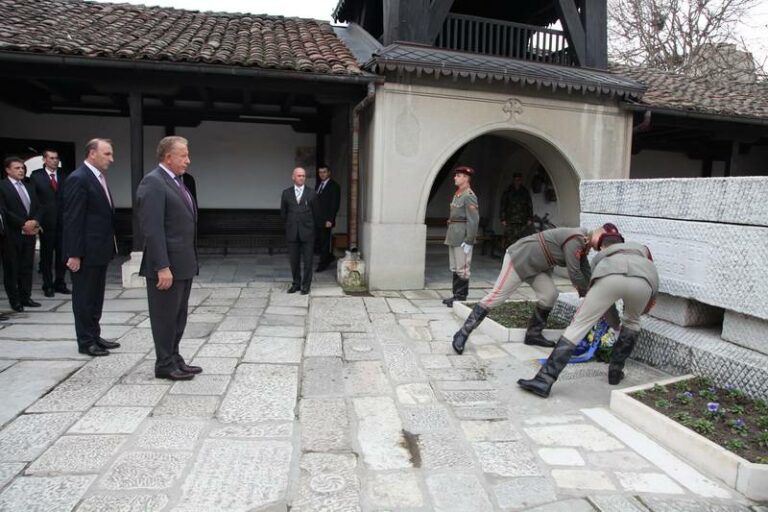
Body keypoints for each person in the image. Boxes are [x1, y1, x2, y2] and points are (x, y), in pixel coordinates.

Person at [518, 223, 659, 397]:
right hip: (644, 280)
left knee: (578, 325)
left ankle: (544, 380)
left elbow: (605, 306)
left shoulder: (599, 259)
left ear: (603, 246)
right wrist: (638, 312)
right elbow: (651, 272)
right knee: (632, 322)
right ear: (622, 241)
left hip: (609, 276)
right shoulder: (642, 249)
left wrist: (614, 325)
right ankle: (615, 373)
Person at [452, 226, 594, 355]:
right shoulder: (576, 239)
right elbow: (575, 273)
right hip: (520, 258)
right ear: (594, 237)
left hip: (537, 266)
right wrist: (585, 294)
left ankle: (533, 335)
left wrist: (593, 290)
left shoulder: (582, 243)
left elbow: (585, 270)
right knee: (497, 296)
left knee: (550, 295)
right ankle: (462, 333)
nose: (597, 249)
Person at [136, 136, 201, 381]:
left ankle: (174, 357)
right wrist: (162, 266)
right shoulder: (153, 183)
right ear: (168, 157)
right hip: (167, 266)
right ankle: (164, 363)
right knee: (164, 317)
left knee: (178, 316)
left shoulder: (177, 181)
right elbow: (153, 229)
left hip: (183, 263)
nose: (188, 160)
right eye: (183, 155)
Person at [62, 139, 120, 356]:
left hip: (99, 250)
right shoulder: (79, 179)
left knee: (96, 297)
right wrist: (74, 254)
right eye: (107, 154)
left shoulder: (97, 177)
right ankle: (85, 341)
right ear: (92, 153)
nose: (111, 159)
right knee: (84, 298)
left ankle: (95, 335)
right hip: (85, 252)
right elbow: (73, 219)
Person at [0, 157, 42, 312]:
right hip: (12, 235)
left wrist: (35, 221)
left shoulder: (29, 185)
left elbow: (38, 206)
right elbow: (4, 210)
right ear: (8, 170)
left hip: (29, 234)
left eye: (22, 168)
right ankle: (15, 300)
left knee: (26, 266)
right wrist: (23, 224)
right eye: (17, 168)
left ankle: (26, 297)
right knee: (12, 268)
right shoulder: (2, 187)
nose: (21, 170)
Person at [30, 149, 70, 297]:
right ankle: (47, 284)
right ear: (44, 160)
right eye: (51, 158)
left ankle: (60, 282)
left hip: (62, 222)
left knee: (62, 254)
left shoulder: (64, 175)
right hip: (45, 223)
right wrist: (36, 220)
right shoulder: (37, 176)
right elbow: (34, 199)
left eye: (56, 158)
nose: (55, 161)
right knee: (46, 256)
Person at [442, 166, 479, 308]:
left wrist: (469, 240)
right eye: (456, 175)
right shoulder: (458, 194)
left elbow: (473, 220)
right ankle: (456, 295)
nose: (455, 178)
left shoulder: (469, 195)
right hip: (454, 235)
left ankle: (460, 297)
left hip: (463, 237)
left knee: (463, 268)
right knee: (455, 267)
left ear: (465, 178)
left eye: (458, 175)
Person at [280, 167, 318, 295]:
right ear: (293, 177)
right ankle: (296, 284)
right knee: (294, 261)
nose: (301, 178)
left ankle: (306, 286)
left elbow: (316, 214)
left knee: (308, 261)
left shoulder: (312, 193)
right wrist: (289, 226)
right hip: (292, 233)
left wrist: (313, 230)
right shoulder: (286, 193)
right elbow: (283, 214)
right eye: (299, 175)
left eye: (303, 176)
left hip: (308, 233)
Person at [314, 165, 340, 272]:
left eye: (324, 172)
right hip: (317, 219)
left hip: (326, 220)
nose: (322, 174)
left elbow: (334, 204)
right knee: (319, 241)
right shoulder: (318, 185)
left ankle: (323, 264)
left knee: (325, 242)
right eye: (320, 172)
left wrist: (330, 219)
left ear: (329, 173)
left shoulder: (334, 186)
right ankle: (328, 257)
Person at [500, 172, 533, 247]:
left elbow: (529, 205)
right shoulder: (508, 191)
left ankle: (518, 256)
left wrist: (530, 218)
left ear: (521, 181)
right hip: (510, 219)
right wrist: (502, 219)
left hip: (522, 220)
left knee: (521, 239)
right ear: (513, 180)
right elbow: (503, 205)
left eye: (519, 180)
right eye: (516, 180)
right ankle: (509, 256)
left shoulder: (525, 191)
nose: (517, 181)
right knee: (509, 239)